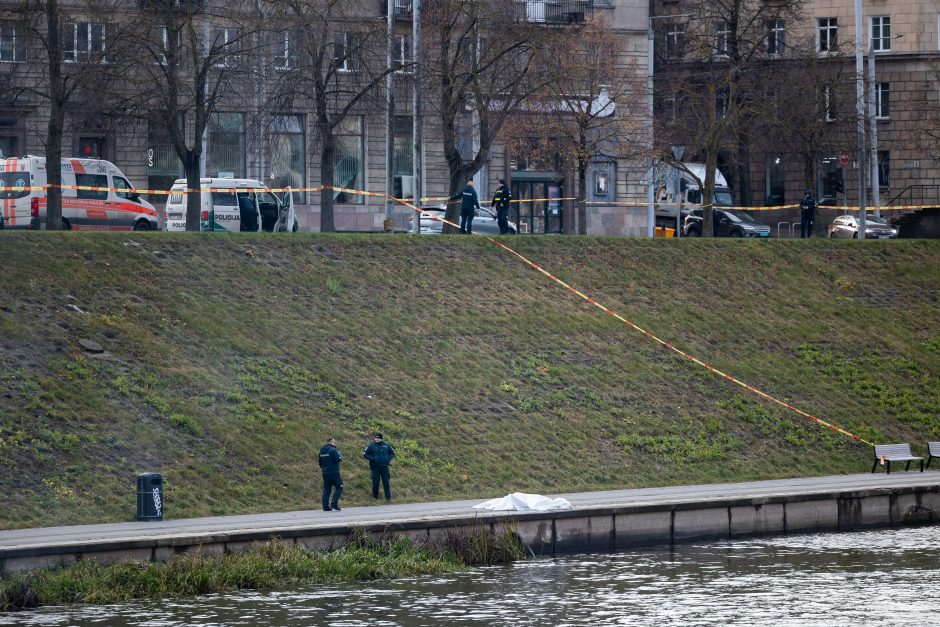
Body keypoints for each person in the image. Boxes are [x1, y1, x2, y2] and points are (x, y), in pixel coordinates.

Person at [363, 432, 396, 501]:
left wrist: (388, 458)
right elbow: (365, 454)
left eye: (378, 438)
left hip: (384, 467)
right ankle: (375, 497)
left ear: (381, 439)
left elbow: (392, 453)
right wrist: (372, 459)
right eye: (376, 438)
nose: (377, 439)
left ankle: (388, 498)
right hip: (375, 467)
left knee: (386, 482)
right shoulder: (371, 446)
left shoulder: (386, 445)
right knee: (375, 482)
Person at [318, 437, 343, 511]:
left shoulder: (321, 451)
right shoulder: (333, 450)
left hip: (325, 473)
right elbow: (338, 459)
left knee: (327, 489)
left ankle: (325, 506)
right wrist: (340, 456)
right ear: (332, 442)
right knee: (340, 486)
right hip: (334, 472)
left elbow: (320, 463)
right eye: (334, 442)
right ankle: (334, 503)